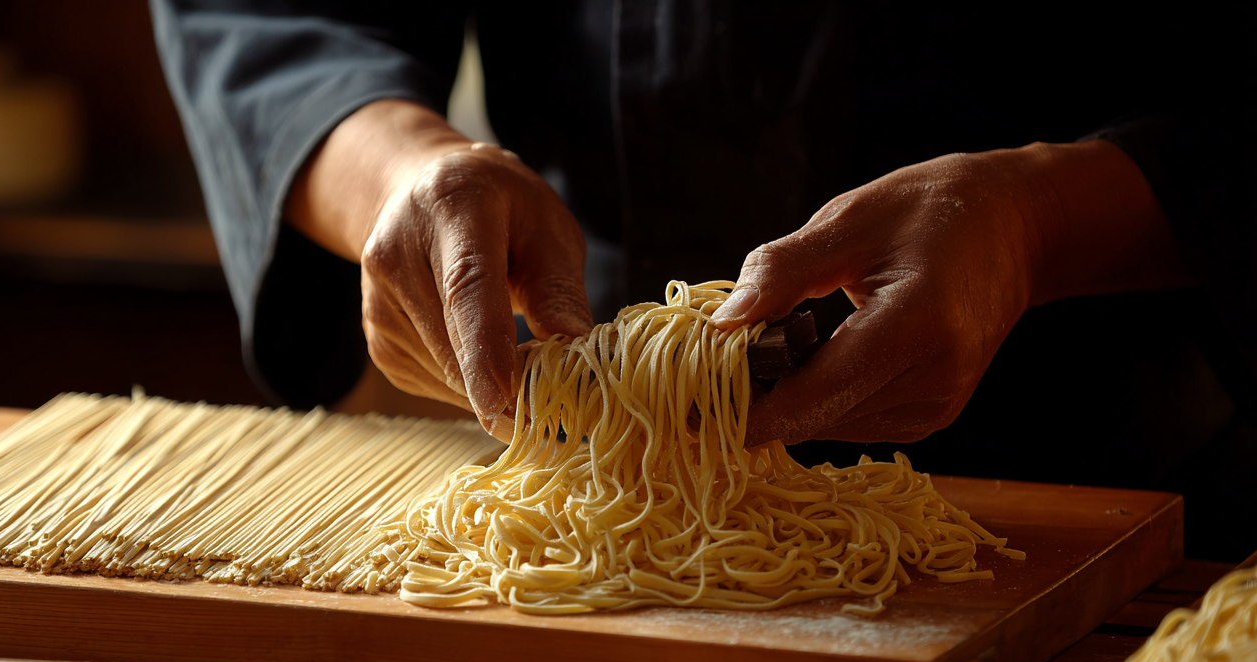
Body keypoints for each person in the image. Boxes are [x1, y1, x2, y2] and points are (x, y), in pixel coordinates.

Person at [151, 1, 1255, 559]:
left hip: (1129, 484)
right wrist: (390, 160)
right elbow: (272, 15)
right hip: (593, 465)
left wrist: (1040, 224)